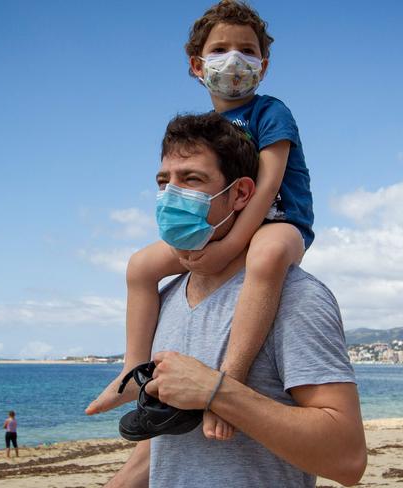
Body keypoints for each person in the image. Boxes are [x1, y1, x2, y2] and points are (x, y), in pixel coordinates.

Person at [87, 0, 314, 442]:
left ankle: (231, 380)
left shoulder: (271, 112)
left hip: (281, 222)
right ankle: (133, 370)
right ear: (197, 64)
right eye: (221, 48)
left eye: (247, 51)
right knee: (140, 266)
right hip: (223, 227)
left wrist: (226, 249)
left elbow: (266, 187)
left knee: (265, 258)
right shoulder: (208, 128)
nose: (235, 59)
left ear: (263, 66)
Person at [105, 113, 366, 487]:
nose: (172, 195)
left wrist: (217, 392)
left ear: (242, 193)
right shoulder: (165, 298)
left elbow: (348, 459)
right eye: (164, 182)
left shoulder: (296, 297)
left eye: (192, 180)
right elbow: (163, 450)